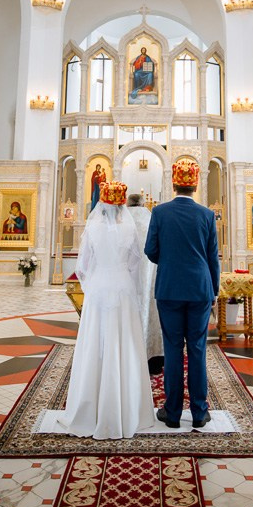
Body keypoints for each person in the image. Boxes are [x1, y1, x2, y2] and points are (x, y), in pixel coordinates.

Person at [51, 181, 154, 438]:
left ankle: (89, 408)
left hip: (98, 290)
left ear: (102, 204)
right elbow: (134, 264)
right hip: (122, 288)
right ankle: (127, 411)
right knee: (124, 345)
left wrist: (92, 286)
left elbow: (83, 267)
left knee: (94, 345)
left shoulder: (93, 226)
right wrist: (128, 284)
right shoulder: (129, 229)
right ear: (121, 206)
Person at [144, 160, 221, 428]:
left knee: (173, 349)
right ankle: (199, 412)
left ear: (174, 184)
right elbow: (213, 257)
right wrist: (214, 289)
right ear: (195, 184)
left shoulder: (160, 212)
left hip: (169, 289)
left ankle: (173, 412)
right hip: (200, 289)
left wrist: (169, 260)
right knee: (197, 349)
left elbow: (150, 250)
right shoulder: (206, 215)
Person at [127, 194, 163, 376]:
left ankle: (126, 357)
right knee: (150, 309)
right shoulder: (151, 217)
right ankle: (153, 358)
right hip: (151, 274)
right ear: (143, 203)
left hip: (126, 279)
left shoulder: (121, 218)